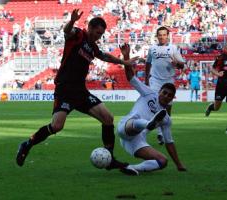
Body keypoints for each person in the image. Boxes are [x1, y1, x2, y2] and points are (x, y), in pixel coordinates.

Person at [16, 9, 137, 173]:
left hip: (80, 91)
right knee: (57, 126)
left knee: (108, 118)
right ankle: (27, 144)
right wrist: (72, 21)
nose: (98, 36)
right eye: (97, 32)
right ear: (90, 27)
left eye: (101, 34)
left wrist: (125, 62)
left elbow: (104, 56)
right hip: (65, 89)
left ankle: (109, 158)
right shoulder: (78, 35)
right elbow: (67, 31)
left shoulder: (93, 47)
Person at [118, 44, 186, 175]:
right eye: (164, 92)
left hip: (136, 142)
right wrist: (126, 56)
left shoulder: (166, 119)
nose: (166, 96)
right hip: (126, 127)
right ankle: (148, 124)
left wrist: (179, 164)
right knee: (137, 121)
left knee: (162, 161)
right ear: (159, 91)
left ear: (172, 98)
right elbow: (131, 78)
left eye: (169, 95)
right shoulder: (148, 93)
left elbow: (169, 142)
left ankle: (132, 168)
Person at [145, 26, 186, 145]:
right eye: (160, 35)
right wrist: (147, 78)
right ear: (157, 36)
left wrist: (176, 63)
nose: (162, 37)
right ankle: (159, 133)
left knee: (167, 109)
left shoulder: (173, 48)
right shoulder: (152, 49)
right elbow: (148, 63)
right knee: (156, 105)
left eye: (164, 35)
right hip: (155, 80)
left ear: (167, 36)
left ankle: (165, 131)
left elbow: (182, 65)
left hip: (168, 81)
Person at [205, 44, 227, 133]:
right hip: (222, 84)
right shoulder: (221, 57)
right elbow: (212, 69)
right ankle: (211, 107)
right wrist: (218, 74)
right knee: (217, 107)